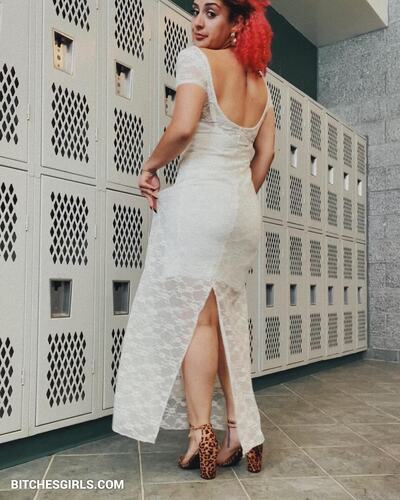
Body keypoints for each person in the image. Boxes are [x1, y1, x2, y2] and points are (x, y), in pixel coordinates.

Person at [112, 0, 275, 480]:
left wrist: (150, 166)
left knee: (198, 321)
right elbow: (265, 154)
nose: (198, 22)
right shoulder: (261, 83)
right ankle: (241, 431)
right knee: (229, 320)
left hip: (201, 200)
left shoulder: (195, 60)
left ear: (237, 22)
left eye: (211, 12)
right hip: (242, 209)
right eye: (196, 10)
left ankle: (199, 433)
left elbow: (183, 128)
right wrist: (236, 199)